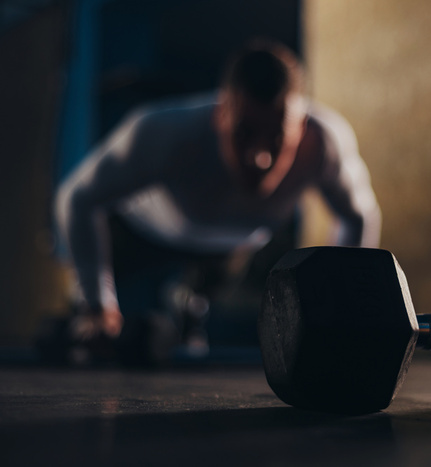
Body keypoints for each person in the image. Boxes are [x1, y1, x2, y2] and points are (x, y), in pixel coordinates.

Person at [55, 40, 381, 347]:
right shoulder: (162, 133)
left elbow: (358, 216)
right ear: (220, 115)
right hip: (140, 236)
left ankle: (188, 303)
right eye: (244, 134)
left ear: (301, 127)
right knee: (87, 325)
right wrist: (97, 305)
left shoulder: (324, 143)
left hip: (231, 250)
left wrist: (344, 304)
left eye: (277, 138)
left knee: (211, 298)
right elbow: (77, 199)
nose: (260, 158)